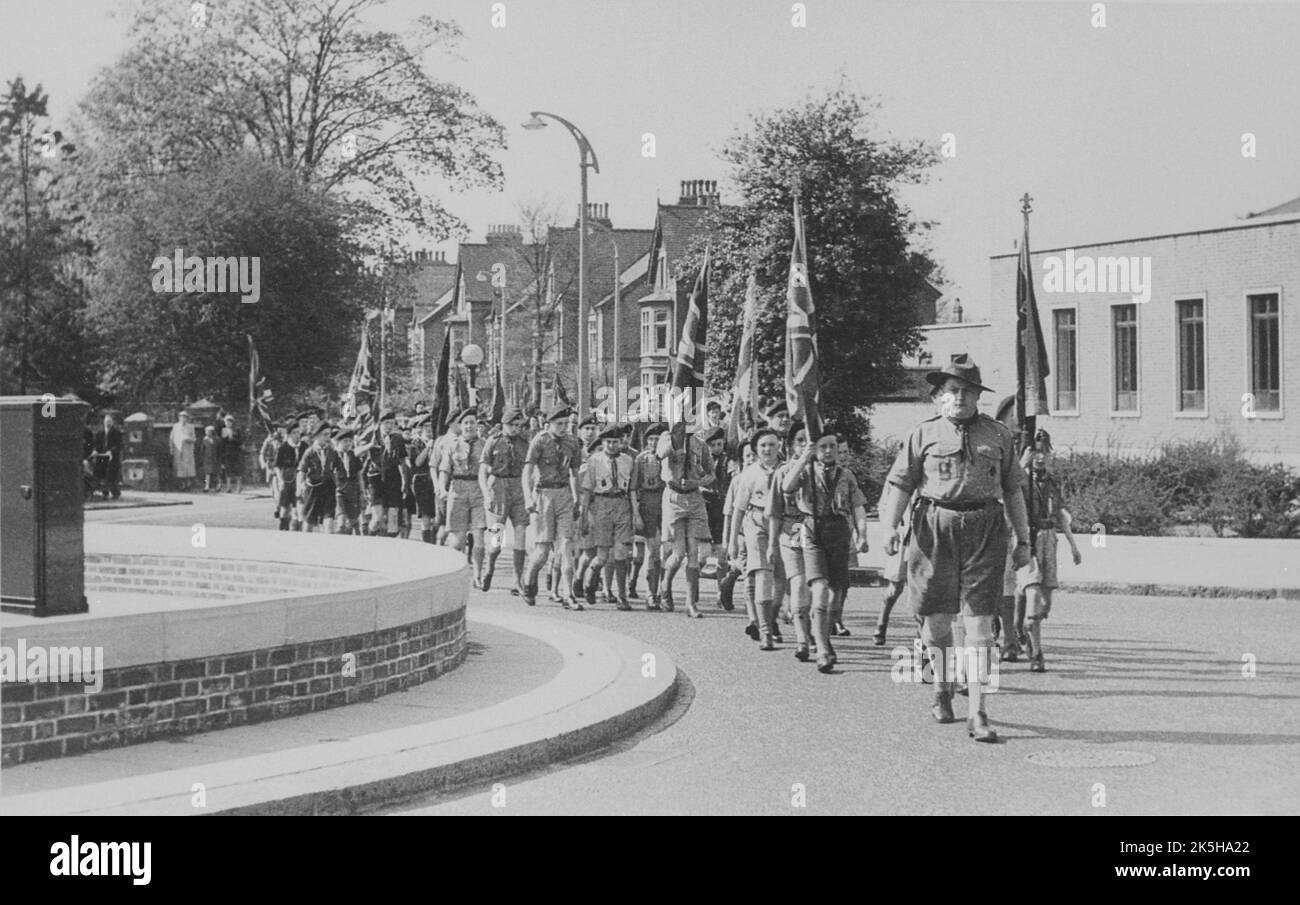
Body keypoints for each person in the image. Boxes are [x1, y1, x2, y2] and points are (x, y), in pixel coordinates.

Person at [880, 353, 1032, 743]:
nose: (959, 397)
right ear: (939, 397)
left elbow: (1014, 489)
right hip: (934, 529)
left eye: (967, 390)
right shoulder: (923, 434)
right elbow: (901, 485)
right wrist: (890, 527)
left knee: (980, 626)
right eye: (952, 390)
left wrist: (1025, 541)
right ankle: (942, 686)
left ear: (977, 395)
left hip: (986, 527)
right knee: (936, 622)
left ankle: (978, 710)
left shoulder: (998, 435)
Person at [782, 430, 871, 673]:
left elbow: (858, 506)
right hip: (813, 530)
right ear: (815, 449)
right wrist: (804, 459)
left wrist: (862, 535)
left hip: (839, 532)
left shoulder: (847, 475)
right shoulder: (807, 472)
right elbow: (786, 487)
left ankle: (824, 637)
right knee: (819, 590)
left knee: (836, 595)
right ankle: (822, 650)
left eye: (832, 446)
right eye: (823, 447)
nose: (829, 451)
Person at [1017, 436, 1082, 672]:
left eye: (1045, 452)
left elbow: (1061, 517)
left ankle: (1026, 626)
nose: (1041, 457)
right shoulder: (1021, 480)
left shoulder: (1053, 482)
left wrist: (1074, 545)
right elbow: (1007, 490)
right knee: (1033, 595)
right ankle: (1036, 654)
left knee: (1045, 604)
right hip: (1028, 541)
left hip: (1049, 540)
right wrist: (1020, 466)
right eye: (1035, 452)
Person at [521, 406, 583, 610]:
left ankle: (568, 594)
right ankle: (529, 579)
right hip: (543, 496)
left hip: (564, 495)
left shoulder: (572, 441)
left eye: (567, 423)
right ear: (549, 424)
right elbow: (527, 470)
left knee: (566, 546)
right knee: (542, 552)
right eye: (560, 424)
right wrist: (528, 498)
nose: (564, 427)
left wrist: (577, 499)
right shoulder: (540, 440)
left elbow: (575, 473)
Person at [730, 429, 782, 650]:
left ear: (779, 446)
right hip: (757, 521)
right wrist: (732, 540)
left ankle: (774, 618)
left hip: (786, 523)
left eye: (771, 444)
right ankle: (765, 631)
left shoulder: (788, 469)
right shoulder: (749, 474)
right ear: (756, 449)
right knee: (762, 573)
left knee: (784, 576)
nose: (767, 449)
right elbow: (738, 510)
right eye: (762, 446)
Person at [656, 421, 715, 618]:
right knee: (678, 553)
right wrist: (676, 439)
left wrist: (698, 482)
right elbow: (660, 455)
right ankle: (665, 584)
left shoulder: (701, 444)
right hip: (674, 498)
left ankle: (691, 603)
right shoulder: (667, 438)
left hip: (695, 497)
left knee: (693, 552)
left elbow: (711, 473)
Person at [767, 422, 814, 651]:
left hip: (817, 529)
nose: (805, 446)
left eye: (809, 441)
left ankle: (812, 628)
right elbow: (775, 512)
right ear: (791, 445)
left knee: (816, 584)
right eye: (800, 441)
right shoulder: (784, 472)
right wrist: (772, 543)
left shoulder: (821, 470)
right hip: (793, 528)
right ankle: (800, 636)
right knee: (797, 581)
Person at [579, 425, 636, 609]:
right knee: (602, 556)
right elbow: (587, 491)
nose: (612, 445)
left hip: (622, 504)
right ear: (603, 443)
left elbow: (633, 490)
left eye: (615, 442)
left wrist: (635, 513)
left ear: (621, 442)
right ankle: (591, 574)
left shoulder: (628, 460)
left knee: (621, 553)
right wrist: (584, 516)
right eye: (608, 442)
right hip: (601, 505)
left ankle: (622, 596)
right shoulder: (594, 461)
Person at [479, 406, 531, 594]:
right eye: (512, 425)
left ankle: (517, 580)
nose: (516, 428)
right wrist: (486, 495)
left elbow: (530, 469)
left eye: (519, 425)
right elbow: (483, 471)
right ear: (504, 425)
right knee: (496, 540)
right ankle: (489, 568)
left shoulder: (526, 443)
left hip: (518, 489)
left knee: (521, 533)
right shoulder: (493, 442)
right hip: (498, 489)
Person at [439, 409, 488, 584]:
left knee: (479, 538)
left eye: (472, 422)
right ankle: (453, 574)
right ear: (460, 426)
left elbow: (491, 471)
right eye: (466, 422)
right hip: (457, 491)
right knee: (457, 539)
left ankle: (477, 575)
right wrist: (442, 489)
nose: (469, 426)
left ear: (477, 425)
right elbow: (444, 470)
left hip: (478, 491)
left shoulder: (485, 445)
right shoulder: (452, 445)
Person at [629, 422, 668, 610]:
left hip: (667, 503)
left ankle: (662, 590)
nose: (654, 443)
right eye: (651, 439)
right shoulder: (641, 459)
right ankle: (650, 593)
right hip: (648, 504)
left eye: (657, 439)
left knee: (666, 551)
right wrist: (636, 513)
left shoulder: (670, 458)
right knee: (652, 550)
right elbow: (633, 488)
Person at [701, 426, 734, 610]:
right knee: (702, 553)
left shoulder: (728, 461)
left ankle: (721, 593)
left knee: (722, 554)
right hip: (704, 505)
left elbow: (732, 477)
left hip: (721, 507)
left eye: (719, 444)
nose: (716, 448)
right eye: (712, 445)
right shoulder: (700, 462)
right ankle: (695, 585)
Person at [364, 410, 410, 538]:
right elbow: (358, 453)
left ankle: (388, 549)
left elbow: (402, 461)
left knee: (393, 520)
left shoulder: (398, 438)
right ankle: (368, 538)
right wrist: (369, 445)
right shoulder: (372, 436)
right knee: (378, 519)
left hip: (393, 478)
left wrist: (405, 481)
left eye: (392, 423)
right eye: (386, 423)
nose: (389, 426)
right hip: (376, 478)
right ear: (380, 423)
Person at [298, 422, 336, 532]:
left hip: (328, 487)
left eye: (329, 434)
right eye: (325, 435)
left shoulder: (332, 451)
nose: (328, 437)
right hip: (313, 488)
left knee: (329, 521)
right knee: (309, 521)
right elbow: (302, 470)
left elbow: (338, 467)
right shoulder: (310, 452)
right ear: (317, 435)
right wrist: (301, 485)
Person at [407, 414, 439, 544]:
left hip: (436, 480)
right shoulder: (415, 444)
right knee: (426, 518)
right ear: (421, 428)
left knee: (437, 518)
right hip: (421, 481)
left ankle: (434, 543)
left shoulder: (438, 442)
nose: (428, 429)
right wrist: (428, 448)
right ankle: (428, 545)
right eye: (425, 427)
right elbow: (417, 462)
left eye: (430, 426)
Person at [331, 427, 364, 535]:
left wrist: (362, 491)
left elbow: (359, 475)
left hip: (353, 490)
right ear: (338, 442)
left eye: (350, 441)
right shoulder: (333, 456)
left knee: (354, 522)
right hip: (339, 490)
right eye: (345, 441)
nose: (348, 443)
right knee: (341, 521)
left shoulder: (354, 456)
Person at [273, 421, 302, 530]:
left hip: (299, 481)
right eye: (294, 433)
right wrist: (280, 481)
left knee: (298, 510)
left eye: (299, 432)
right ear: (289, 434)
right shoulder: (283, 448)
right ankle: (283, 530)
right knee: (285, 510)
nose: (297, 435)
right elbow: (276, 466)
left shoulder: (304, 446)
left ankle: (297, 533)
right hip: (287, 480)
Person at [92, 413, 124, 499]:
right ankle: (104, 491)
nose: (108, 423)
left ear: (112, 423)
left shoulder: (117, 433)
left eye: (109, 422)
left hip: (112, 457)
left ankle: (114, 492)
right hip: (102, 457)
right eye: (106, 421)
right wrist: (95, 451)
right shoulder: (100, 433)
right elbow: (96, 444)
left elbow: (119, 445)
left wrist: (111, 451)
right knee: (100, 474)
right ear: (104, 422)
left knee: (111, 475)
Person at [170, 412, 197, 491]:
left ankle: (188, 484)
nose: (183, 419)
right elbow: (171, 438)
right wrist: (171, 449)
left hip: (187, 450)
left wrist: (189, 439)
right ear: (179, 418)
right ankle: (180, 485)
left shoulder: (191, 427)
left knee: (187, 468)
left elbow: (194, 439)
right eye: (181, 417)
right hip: (178, 450)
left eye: (185, 417)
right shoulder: (176, 426)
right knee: (179, 468)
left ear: (187, 418)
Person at [219, 414, 245, 494]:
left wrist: (233, 439)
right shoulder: (223, 430)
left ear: (232, 422)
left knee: (237, 470)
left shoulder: (237, 430)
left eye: (230, 422)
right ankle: (228, 487)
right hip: (227, 452)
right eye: (226, 422)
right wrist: (226, 438)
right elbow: (222, 442)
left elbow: (240, 441)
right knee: (228, 470)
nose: (228, 423)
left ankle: (239, 487)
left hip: (236, 452)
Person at [201, 425, 221, 493]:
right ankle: (207, 486)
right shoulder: (205, 439)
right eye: (206, 431)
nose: (207, 433)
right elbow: (202, 449)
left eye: (209, 431)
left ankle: (218, 485)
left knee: (217, 473)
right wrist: (203, 457)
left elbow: (219, 450)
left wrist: (219, 458)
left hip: (215, 458)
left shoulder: (217, 439)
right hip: (207, 458)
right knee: (207, 473)